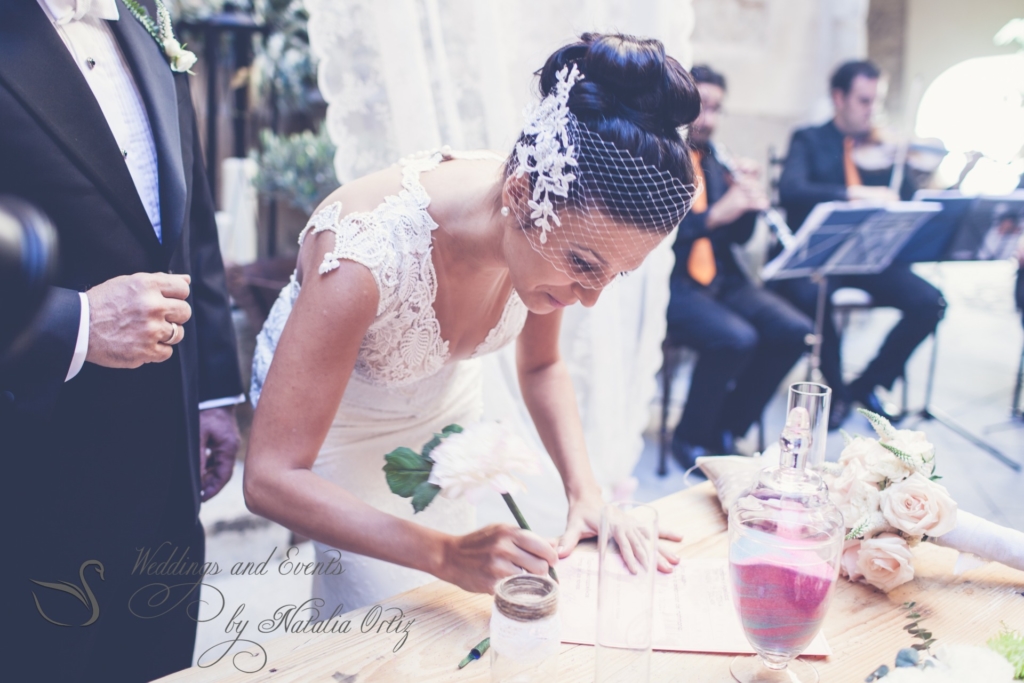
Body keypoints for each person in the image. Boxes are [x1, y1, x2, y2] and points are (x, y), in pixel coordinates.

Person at [244, 33, 698, 611]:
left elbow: (542, 366)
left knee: (462, 614)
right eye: (584, 265)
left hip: (443, 416)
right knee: (389, 613)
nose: (590, 298)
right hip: (333, 431)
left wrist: (586, 493)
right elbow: (270, 477)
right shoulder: (362, 256)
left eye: (617, 273)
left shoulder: (540, 230)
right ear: (520, 195)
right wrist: (445, 554)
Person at [1, 1, 244, 681]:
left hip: (163, 482)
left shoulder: (144, 20)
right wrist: (78, 322)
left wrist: (213, 394)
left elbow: (191, 223)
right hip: (31, 477)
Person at [773, 60, 946, 429]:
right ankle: (835, 391)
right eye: (864, 101)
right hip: (819, 258)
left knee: (930, 302)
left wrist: (907, 166)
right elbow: (791, 189)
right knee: (812, 298)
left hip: (868, 257)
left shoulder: (882, 148)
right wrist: (853, 193)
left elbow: (908, 200)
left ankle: (867, 384)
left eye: (876, 102)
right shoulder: (809, 139)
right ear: (839, 98)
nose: (872, 111)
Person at [666, 65, 813, 468]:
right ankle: (690, 437)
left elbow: (738, 237)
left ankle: (726, 429)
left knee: (795, 330)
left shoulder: (715, 160)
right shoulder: (659, 156)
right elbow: (658, 238)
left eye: (717, 109)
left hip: (723, 277)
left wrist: (745, 203)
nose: (709, 120)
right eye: (702, 106)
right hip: (675, 281)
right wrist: (715, 215)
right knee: (736, 339)